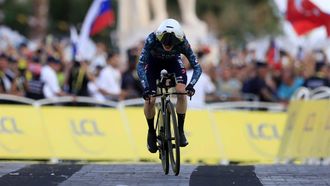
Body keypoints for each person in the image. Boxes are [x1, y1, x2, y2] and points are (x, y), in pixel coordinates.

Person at [137, 19, 202, 153]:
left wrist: (191, 85)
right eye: (165, 43)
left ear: (177, 41)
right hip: (153, 64)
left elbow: (197, 67)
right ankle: (151, 131)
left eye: (171, 44)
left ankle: (180, 130)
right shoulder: (152, 39)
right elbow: (140, 65)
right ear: (159, 38)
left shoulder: (183, 42)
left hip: (173, 62)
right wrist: (146, 88)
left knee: (181, 92)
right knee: (151, 99)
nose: (167, 45)